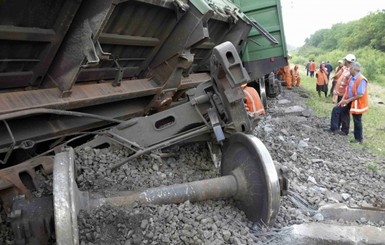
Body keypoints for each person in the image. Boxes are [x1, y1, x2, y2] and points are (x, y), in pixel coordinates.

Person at [325, 54, 357, 135]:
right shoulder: (346, 69)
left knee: (341, 111)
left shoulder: (351, 71)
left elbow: (350, 85)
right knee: (341, 112)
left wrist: (346, 97)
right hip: (341, 94)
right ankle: (338, 128)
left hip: (345, 96)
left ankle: (341, 130)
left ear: (347, 61)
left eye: (345, 60)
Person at [338, 62, 368, 143]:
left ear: (355, 69)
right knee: (341, 111)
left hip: (357, 103)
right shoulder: (352, 77)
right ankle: (344, 130)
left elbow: (360, 94)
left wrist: (347, 100)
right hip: (350, 100)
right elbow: (348, 89)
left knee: (357, 120)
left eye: (350, 68)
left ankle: (358, 139)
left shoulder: (361, 79)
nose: (349, 70)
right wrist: (343, 99)